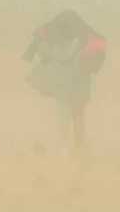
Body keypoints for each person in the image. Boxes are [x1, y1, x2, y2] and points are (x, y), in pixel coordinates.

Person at [23, 10, 106, 155]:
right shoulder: (85, 35)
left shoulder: (54, 36)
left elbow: (42, 50)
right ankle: (78, 147)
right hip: (80, 83)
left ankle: (64, 147)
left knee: (63, 113)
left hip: (62, 83)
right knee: (78, 114)